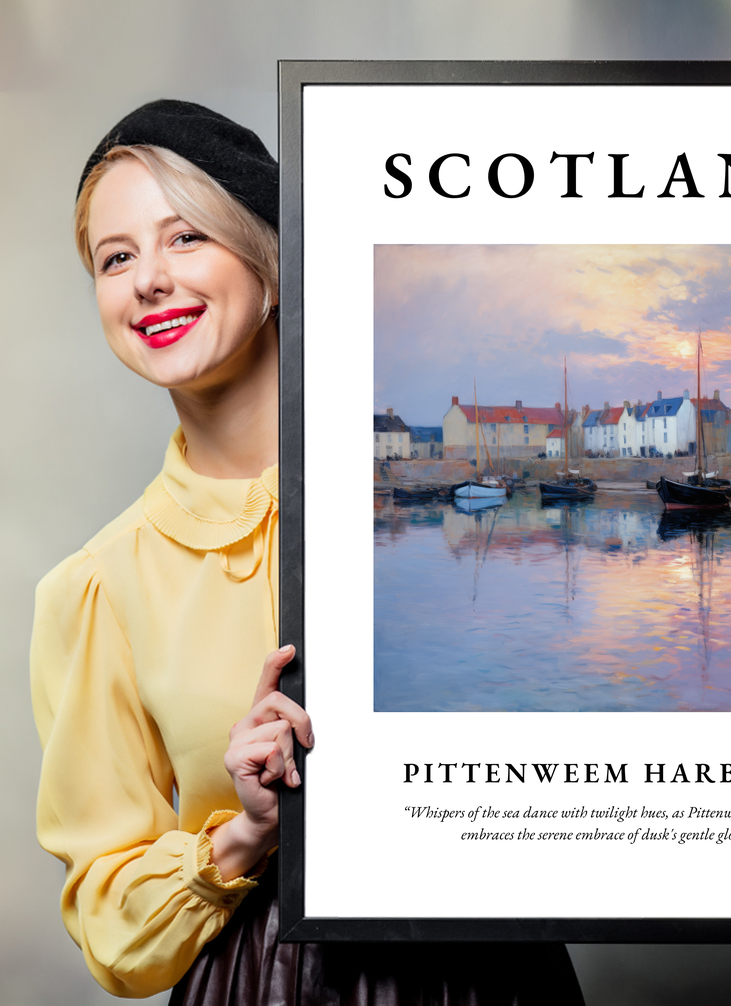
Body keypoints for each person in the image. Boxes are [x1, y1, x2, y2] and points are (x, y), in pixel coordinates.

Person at [30, 100, 585, 1004]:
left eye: (185, 238)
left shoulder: (423, 511)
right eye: (116, 257)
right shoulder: (97, 587)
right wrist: (244, 832)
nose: (148, 281)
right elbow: (110, 923)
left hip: (493, 972)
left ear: (273, 264)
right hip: (264, 982)